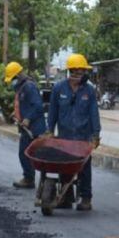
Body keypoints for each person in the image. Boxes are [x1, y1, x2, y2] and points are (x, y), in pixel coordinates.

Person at [47, 53, 101, 211]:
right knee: (65, 167)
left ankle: (86, 198)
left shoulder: (89, 91)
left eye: (82, 72)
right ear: (70, 71)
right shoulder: (59, 88)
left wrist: (95, 135)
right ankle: (66, 197)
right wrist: (49, 130)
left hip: (83, 138)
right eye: (75, 72)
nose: (79, 75)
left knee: (84, 168)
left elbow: (94, 114)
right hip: (65, 137)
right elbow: (52, 112)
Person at [6, 61, 46, 188]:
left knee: (27, 154)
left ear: (18, 76)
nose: (12, 82)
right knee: (25, 153)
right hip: (26, 128)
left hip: (34, 128)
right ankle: (30, 178)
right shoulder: (21, 88)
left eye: (12, 79)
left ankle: (30, 179)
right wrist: (16, 113)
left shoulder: (29, 87)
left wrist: (28, 118)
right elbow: (25, 104)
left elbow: (38, 106)